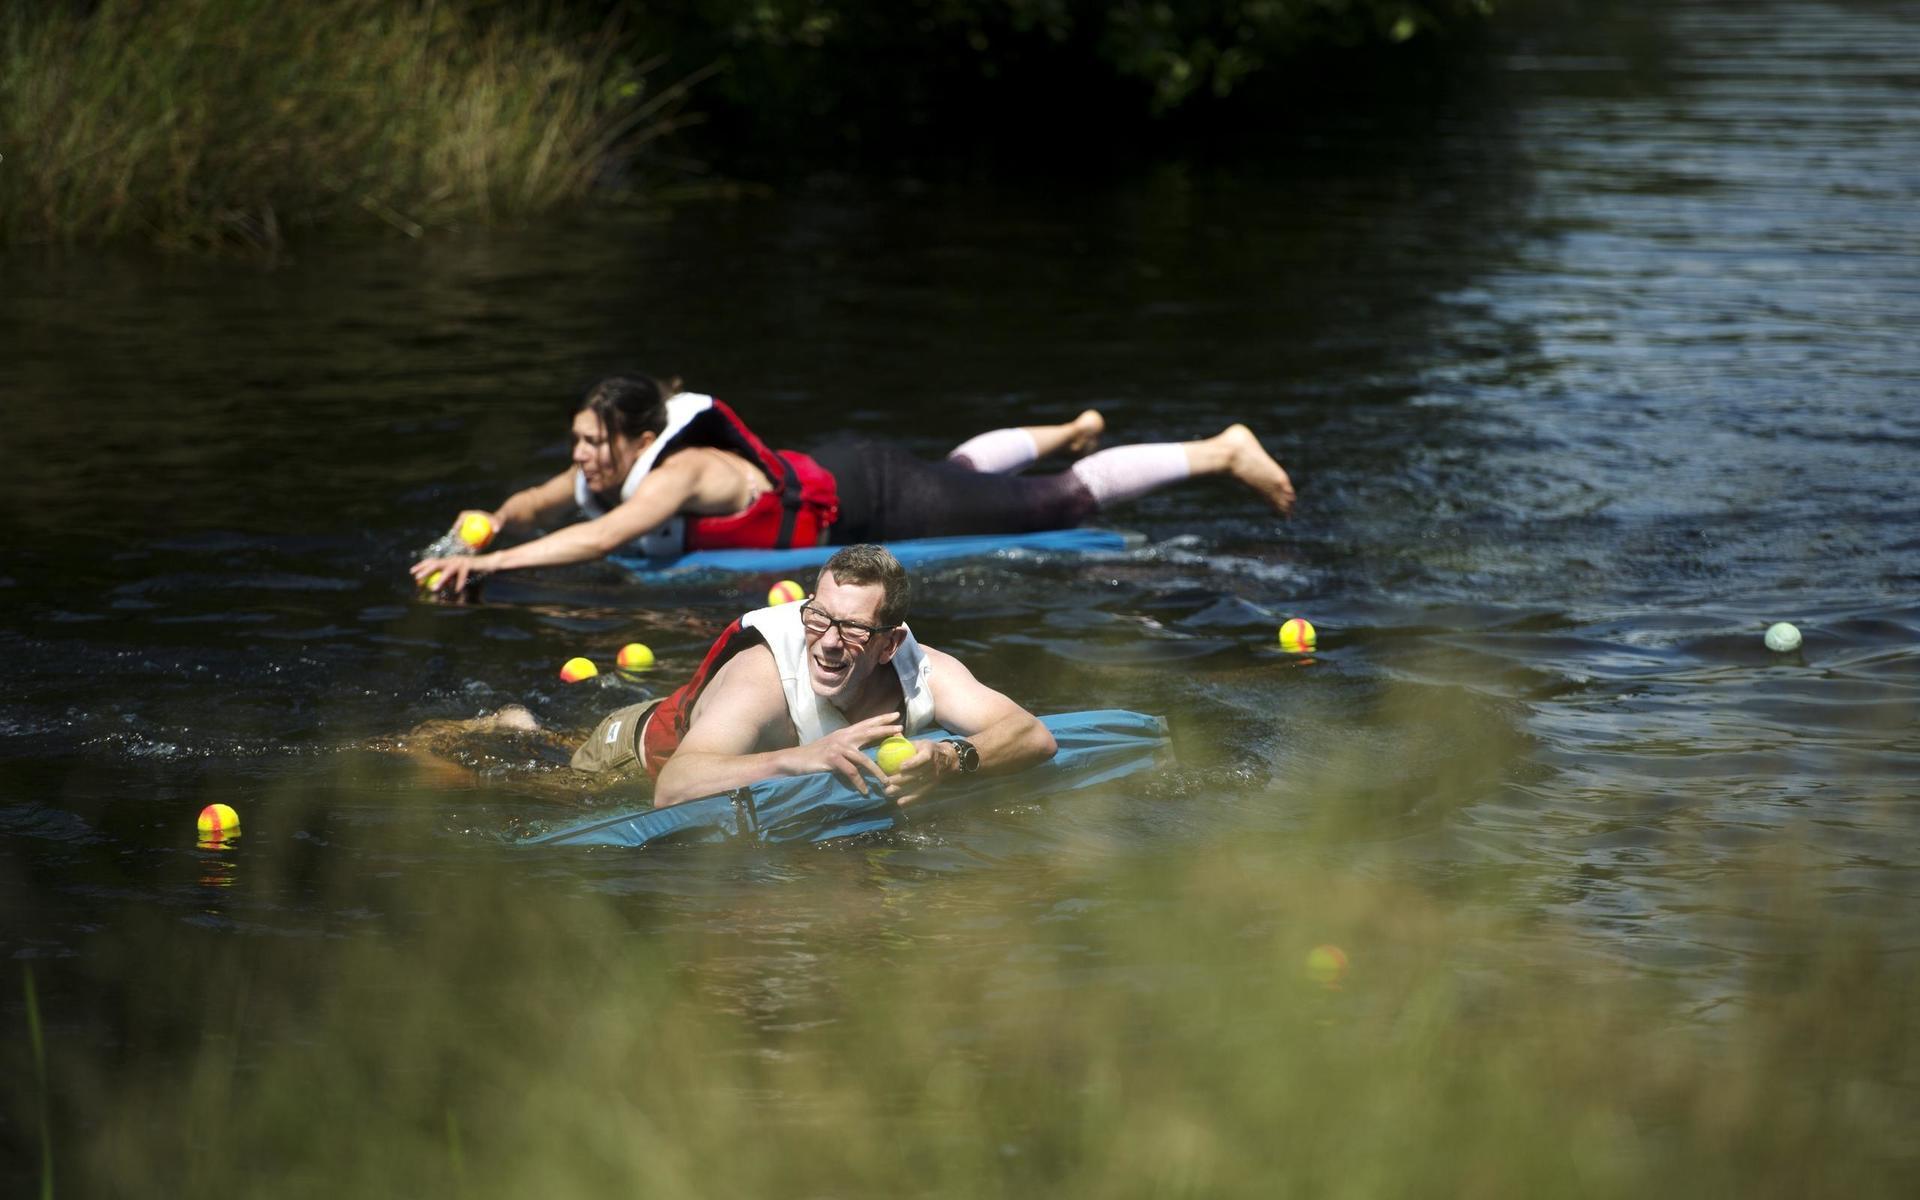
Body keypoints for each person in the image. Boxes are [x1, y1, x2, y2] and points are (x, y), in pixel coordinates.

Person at [409, 373, 1297, 593]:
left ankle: (1220, 449)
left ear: (640, 437)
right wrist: (488, 524)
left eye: (593, 446)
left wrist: (491, 569)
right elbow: (540, 505)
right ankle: (1066, 427)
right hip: (852, 470)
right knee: (956, 471)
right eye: (576, 445)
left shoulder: (676, 472)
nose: (582, 462)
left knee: (1052, 502)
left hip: (871, 497)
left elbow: (601, 538)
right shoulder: (610, 468)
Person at [576, 543, 1057, 807]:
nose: (827, 640)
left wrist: (949, 759)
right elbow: (673, 787)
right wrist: (801, 758)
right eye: (819, 617)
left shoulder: (923, 667)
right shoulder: (762, 677)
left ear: (889, 644)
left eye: (852, 629)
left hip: (696, 737)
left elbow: (1033, 734)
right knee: (539, 761)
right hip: (627, 756)